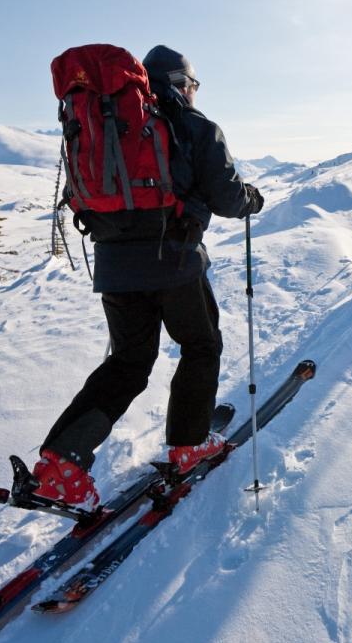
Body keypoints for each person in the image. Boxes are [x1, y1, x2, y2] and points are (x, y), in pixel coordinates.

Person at [31, 45, 265, 509]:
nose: (193, 94)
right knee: (201, 345)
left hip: (114, 264)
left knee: (129, 361)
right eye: (192, 85)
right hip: (174, 260)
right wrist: (251, 199)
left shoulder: (109, 126)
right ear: (180, 84)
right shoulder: (195, 127)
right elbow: (228, 198)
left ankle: (61, 464)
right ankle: (188, 443)